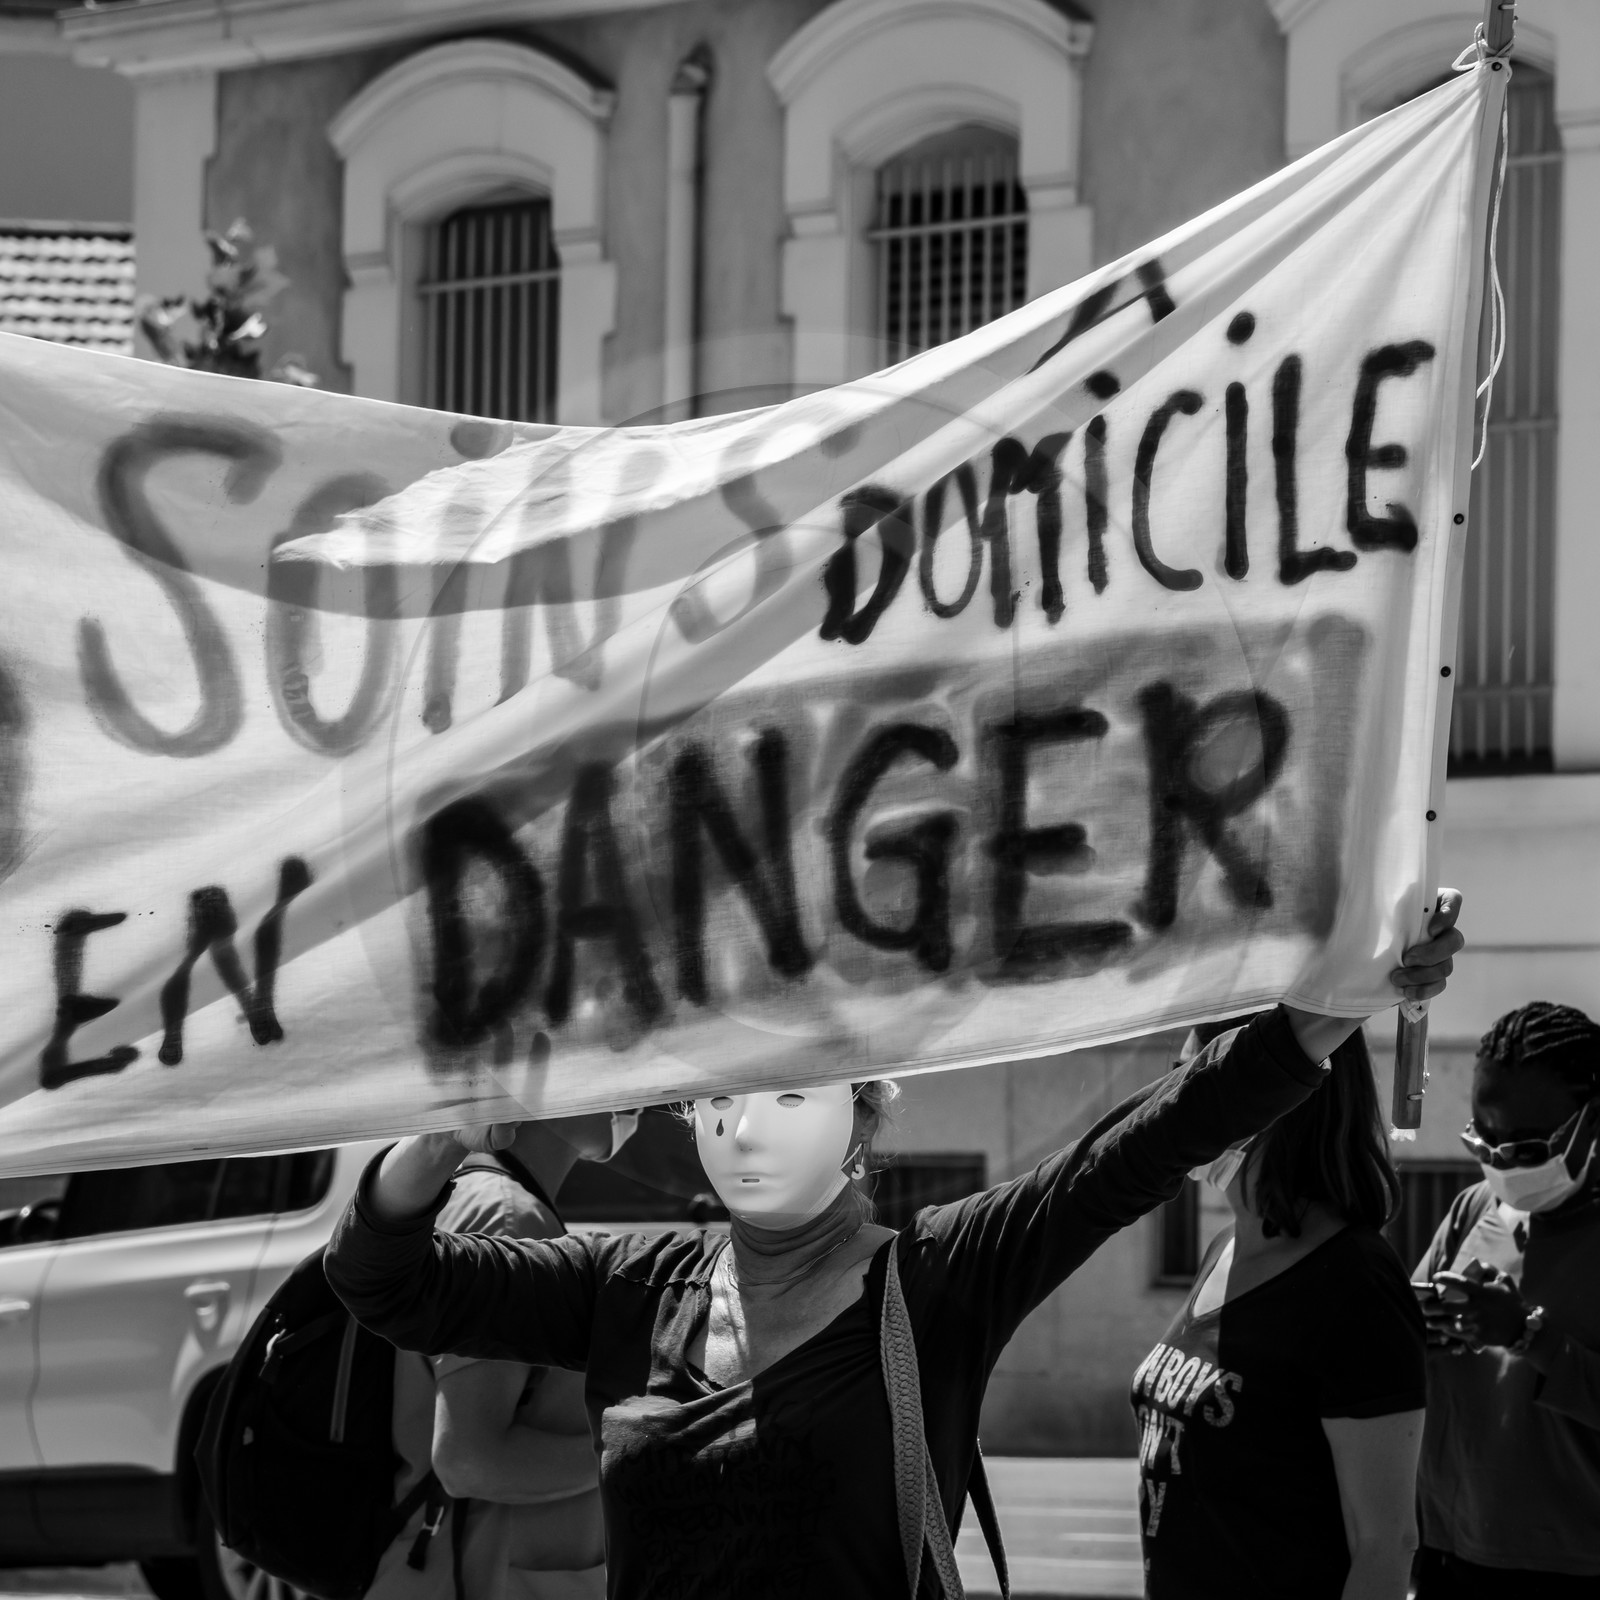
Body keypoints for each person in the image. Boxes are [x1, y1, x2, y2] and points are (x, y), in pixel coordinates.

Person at [326, 894, 1460, 1600]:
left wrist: (1333, 1004)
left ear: (862, 1114)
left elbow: (1142, 1146)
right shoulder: (625, 1284)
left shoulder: (937, 1276)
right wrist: (434, 1142)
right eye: (715, 1101)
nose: (746, 1125)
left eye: (788, 1094)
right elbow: (383, 1283)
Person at [1130, 1025, 1426, 1600]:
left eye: (1194, 1078)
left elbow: (1385, 1545)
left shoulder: (1355, 1282)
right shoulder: (1223, 1246)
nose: (1171, 1100)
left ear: (1275, 1096)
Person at [367, 1109, 639, 1600]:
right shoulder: (506, 1216)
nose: (633, 1090)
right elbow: (469, 1459)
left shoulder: (482, 1196)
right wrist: (640, 1451)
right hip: (486, 1577)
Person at [1411, 1001, 1600, 1599]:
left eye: (1524, 1146)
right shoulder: (1475, 1210)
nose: (1500, 1163)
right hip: (1452, 1550)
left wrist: (1528, 1338)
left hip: (1571, 1566)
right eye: (1484, 1140)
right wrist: (1421, 1325)